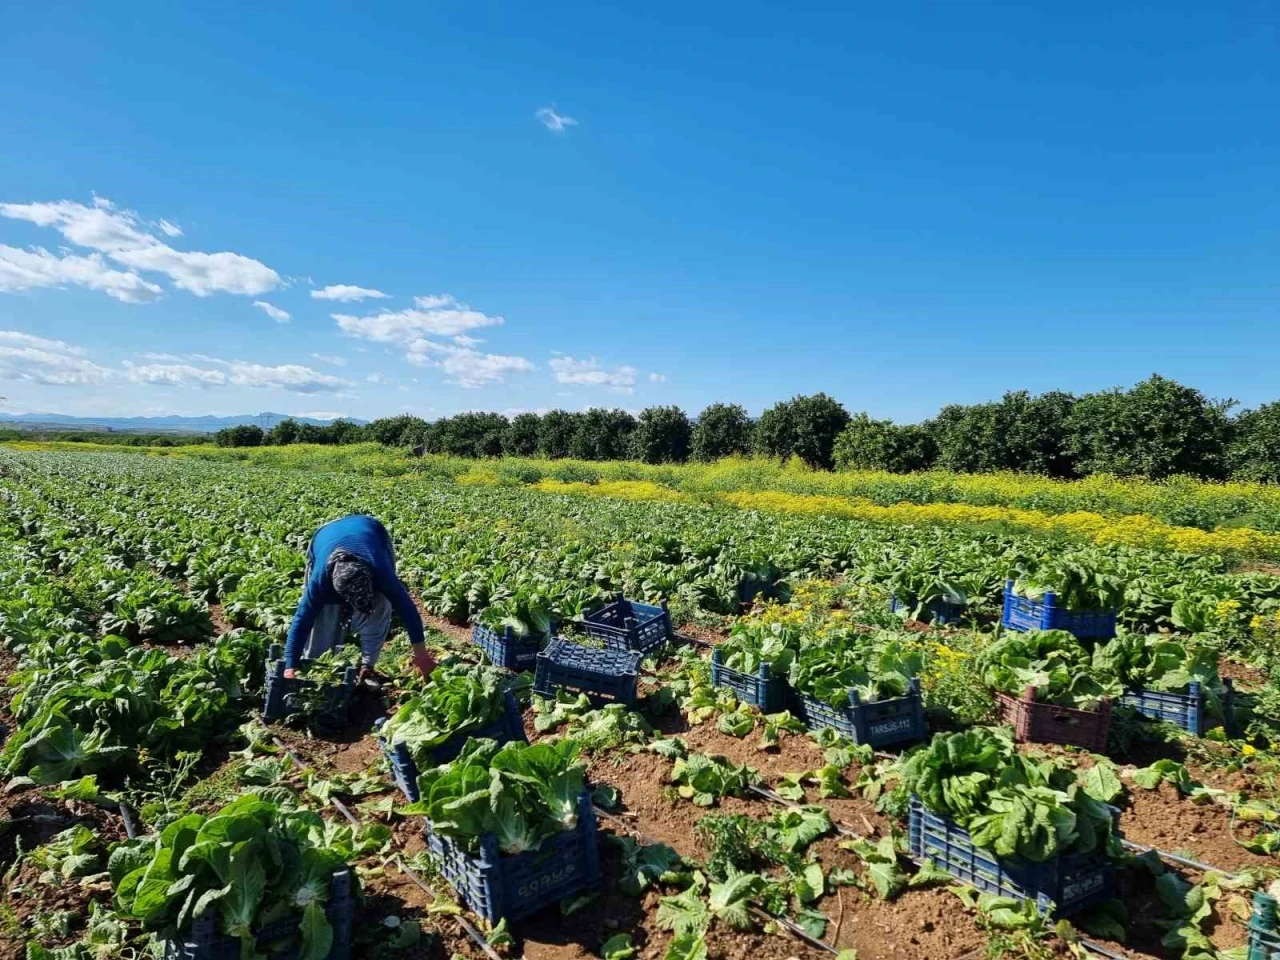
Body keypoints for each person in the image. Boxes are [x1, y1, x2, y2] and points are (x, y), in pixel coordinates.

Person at [282, 514, 435, 686]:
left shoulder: (380, 572)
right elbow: (301, 621)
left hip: (370, 530)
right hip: (325, 535)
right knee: (322, 620)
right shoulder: (320, 584)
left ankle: (367, 667)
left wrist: (421, 655)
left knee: (380, 606)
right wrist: (290, 665)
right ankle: (317, 667)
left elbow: (408, 611)